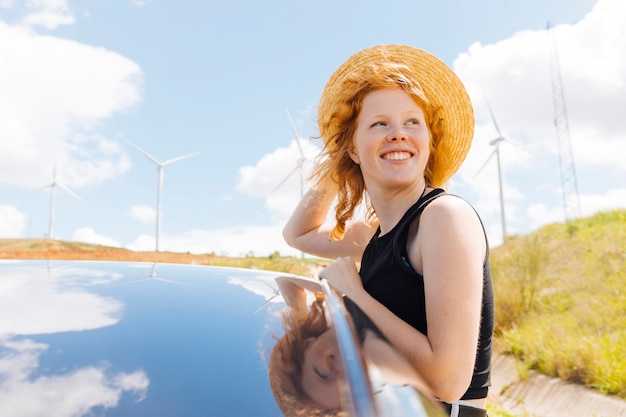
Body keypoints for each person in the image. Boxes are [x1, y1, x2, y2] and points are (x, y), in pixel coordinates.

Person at [282, 44, 494, 417]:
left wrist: (355, 294)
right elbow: (297, 234)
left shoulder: (443, 217)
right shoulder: (377, 235)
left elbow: (448, 381)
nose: (398, 133)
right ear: (352, 148)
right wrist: (340, 160)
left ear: (429, 142)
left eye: (412, 122)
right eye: (379, 123)